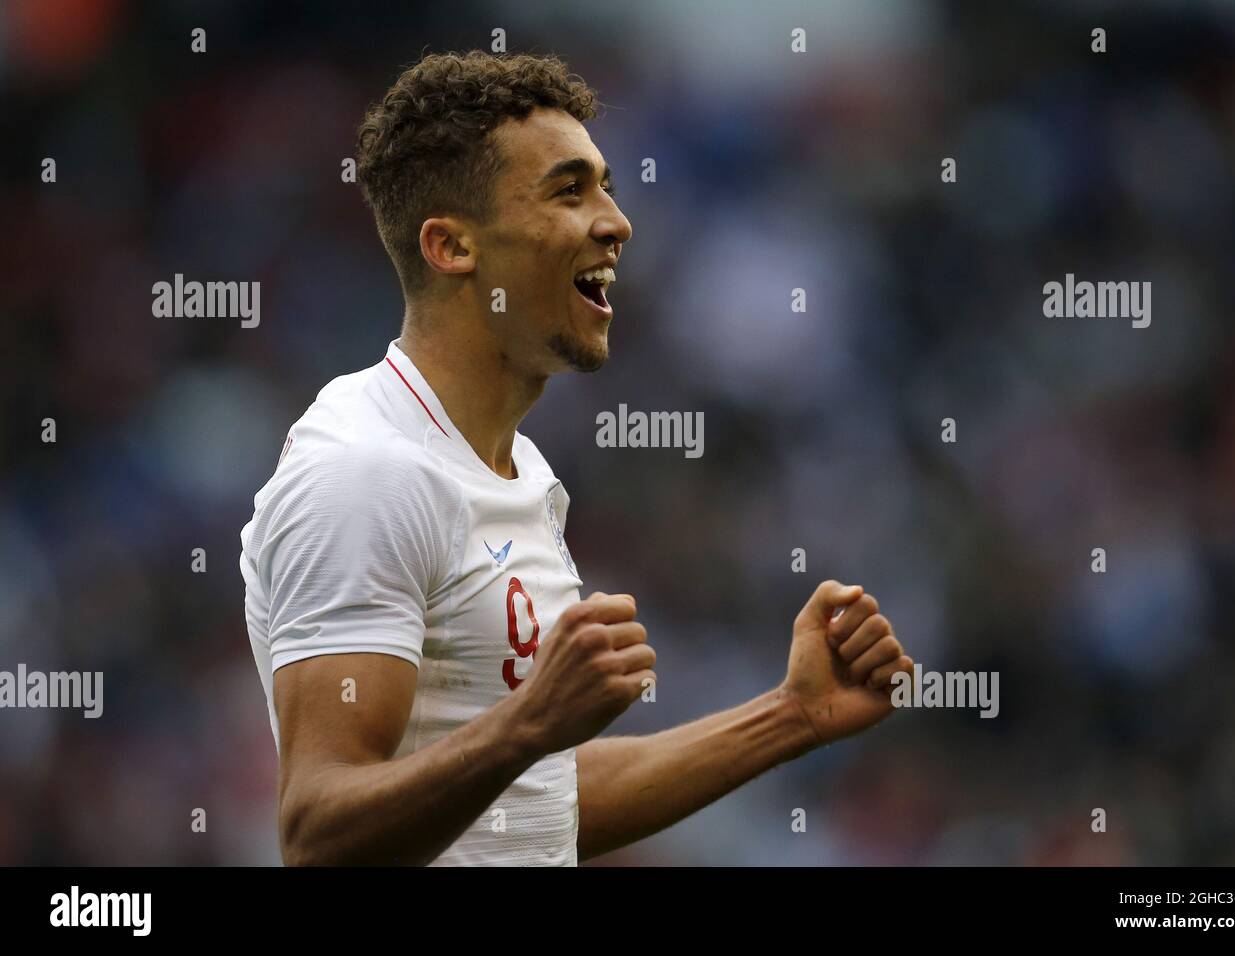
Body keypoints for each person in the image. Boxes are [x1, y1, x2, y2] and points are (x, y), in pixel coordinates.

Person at [239, 50, 913, 866]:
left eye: (607, 187)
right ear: (453, 247)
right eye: (569, 190)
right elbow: (317, 831)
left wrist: (789, 718)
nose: (616, 222)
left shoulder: (516, 469)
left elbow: (530, 808)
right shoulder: (366, 471)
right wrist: (527, 724)